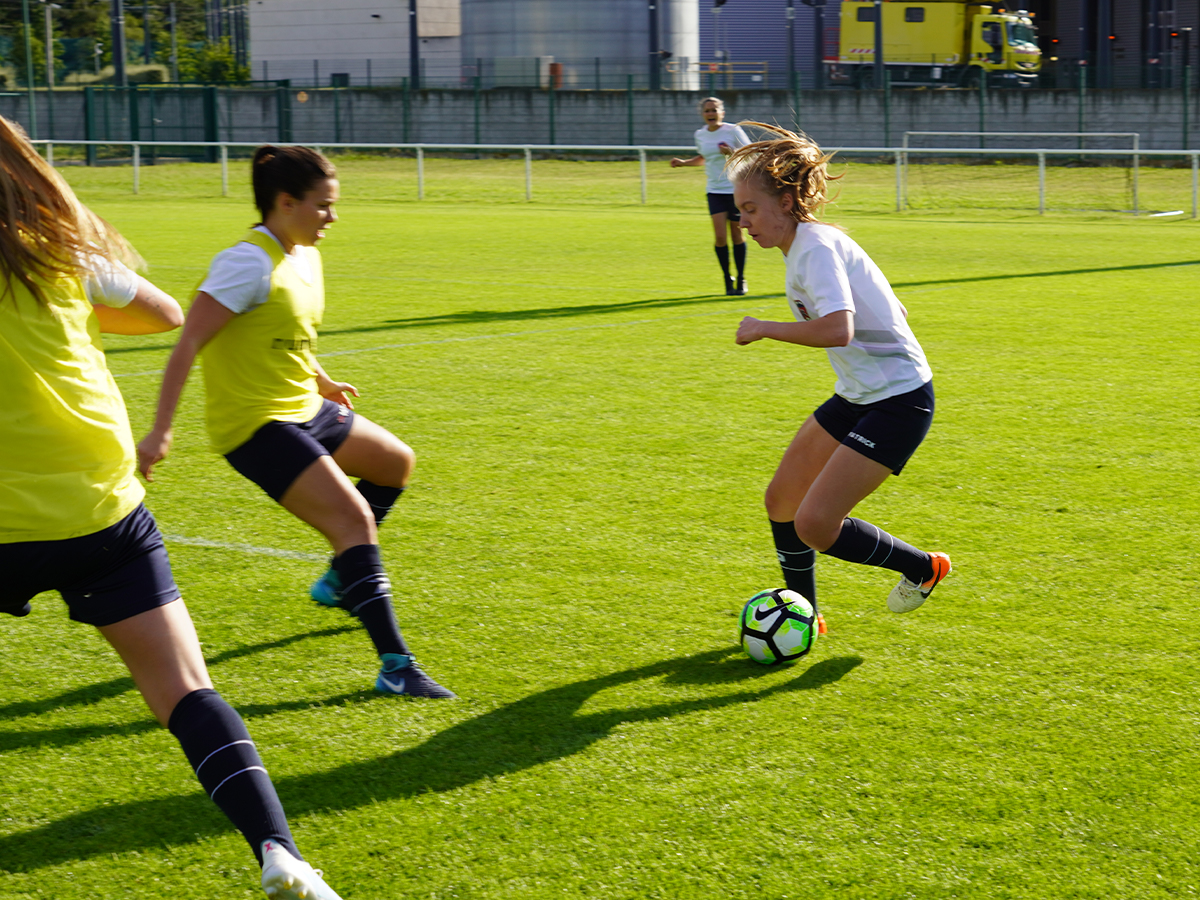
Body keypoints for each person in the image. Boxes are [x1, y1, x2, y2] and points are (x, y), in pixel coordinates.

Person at [0, 116, 341, 900]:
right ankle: (281, 855)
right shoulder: (62, 252)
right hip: (99, 507)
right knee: (186, 691)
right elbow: (161, 312)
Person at [137, 145, 454, 700]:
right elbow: (187, 345)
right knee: (354, 521)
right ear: (286, 203)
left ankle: (340, 580)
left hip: (305, 407)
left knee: (394, 463)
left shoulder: (303, 253)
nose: (333, 217)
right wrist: (160, 431)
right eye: (323, 205)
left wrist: (322, 379)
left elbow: (286, 333)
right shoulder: (245, 264)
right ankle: (396, 666)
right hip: (255, 426)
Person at [728, 123, 951, 624]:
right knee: (781, 499)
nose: (742, 221)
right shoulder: (809, 245)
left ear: (784, 203)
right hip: (859, 395)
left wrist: (764, 327)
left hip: (899, 402)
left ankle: (923, 567)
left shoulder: (816, 249)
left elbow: (838, 330)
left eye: (750, 209)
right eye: (739, 210)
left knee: (816, 524)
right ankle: (805, 613)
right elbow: (894, 308)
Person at [669, 96, 751, 296]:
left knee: (737, 235)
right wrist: (683, 163)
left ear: (722, 112)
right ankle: (727, 278)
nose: (711, 114)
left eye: (714, 110)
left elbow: (750, 153)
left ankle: (741, 277)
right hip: (714, 191)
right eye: (707, 111)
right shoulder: (700, 134)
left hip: (735, 189)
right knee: (720, 237)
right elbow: (704, 158)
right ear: (702, 114)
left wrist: (731, 151)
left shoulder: (733, 131)